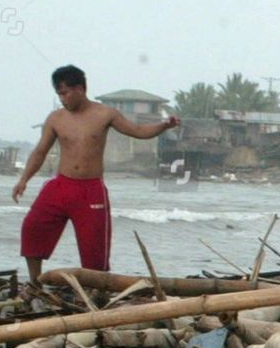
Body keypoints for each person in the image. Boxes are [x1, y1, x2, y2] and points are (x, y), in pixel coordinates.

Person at [13, 65, 180, 284]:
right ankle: (35, 283)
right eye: (58, 94)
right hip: (61, 185)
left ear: (80, 89)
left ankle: (95, 290)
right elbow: (40, 152)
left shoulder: (104, 114)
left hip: (90, 190)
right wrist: (24, 179)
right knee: (32, 227)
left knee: (95, 249)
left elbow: (138, 132)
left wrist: (163, 126)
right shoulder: (56, 119)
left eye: (65, 93)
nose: (62, 99)